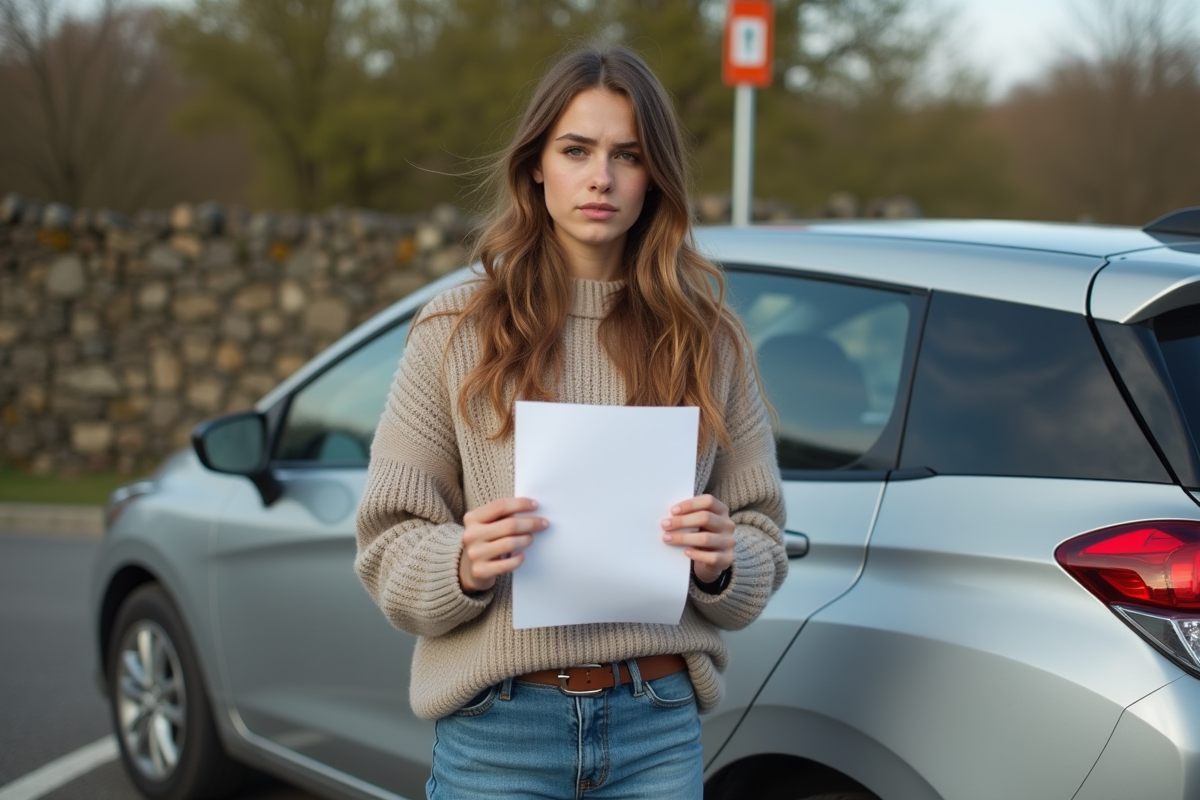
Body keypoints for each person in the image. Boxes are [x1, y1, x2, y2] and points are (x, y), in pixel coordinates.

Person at [354, 44, 787, 799]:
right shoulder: (455, 330)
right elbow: (387, 543)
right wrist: (460, 562)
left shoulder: (708, 338)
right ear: (535, 166)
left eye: (628, 155)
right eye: (576, 150)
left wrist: (724, 560)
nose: (601, 178)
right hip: (498, 728)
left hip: (656, 725)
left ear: (655, 176)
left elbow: (762, 539)